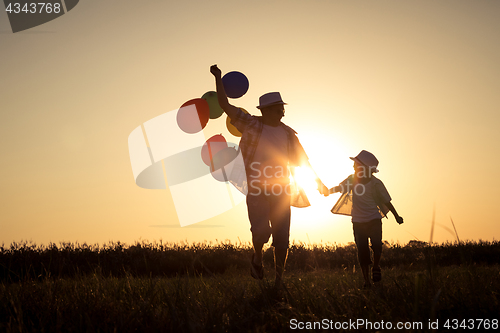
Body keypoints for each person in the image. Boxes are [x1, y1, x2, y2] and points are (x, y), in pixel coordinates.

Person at [210, 65, 329, 286]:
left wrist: (318, 182)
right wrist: (218, 78)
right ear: (265, 110)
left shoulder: (288, 133)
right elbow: (225, 105)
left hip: (282, 189)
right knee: (261, 233)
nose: (282, 112)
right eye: (278, 109)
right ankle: (257, 256)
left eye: (282, 109)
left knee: (282, 238)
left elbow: (303, 160)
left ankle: (278, 279)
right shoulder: (251, 123)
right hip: (257, 187)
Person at [328, 150, 404, 288]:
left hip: (374, 219)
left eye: (355, 165)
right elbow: (340, 188)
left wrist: (396, 215)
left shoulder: (376, 184)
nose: (353, 167)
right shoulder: (351, 179)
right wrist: (328, 191)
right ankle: (366, 281)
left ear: (364, 168)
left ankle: (376, 267)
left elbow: (387, 201)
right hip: (358, 221)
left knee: (376, 245)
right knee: (362, 250)